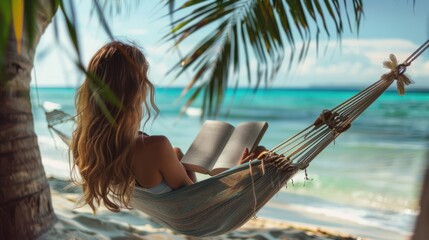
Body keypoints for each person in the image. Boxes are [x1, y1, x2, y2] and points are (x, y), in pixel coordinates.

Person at [69, 41, 265, 214]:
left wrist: (173, 161)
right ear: (134, 91)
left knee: (177, 152)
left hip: (167, 200)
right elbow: (199, 205)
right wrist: (242, 173)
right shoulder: (153, 147)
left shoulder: (83, 142)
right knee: (261, 156)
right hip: (192, 214)